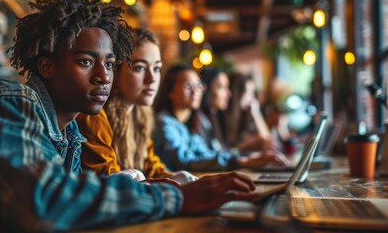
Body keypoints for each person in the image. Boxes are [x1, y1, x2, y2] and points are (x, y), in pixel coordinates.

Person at [0, 0, 259, 231]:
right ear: (47, 66)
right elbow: (41, 200)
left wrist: (156, 186)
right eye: (87, 62)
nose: (104, 76)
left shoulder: (71, 133)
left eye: (110, 64)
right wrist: (176, 197)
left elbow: (73, 196)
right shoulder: (11, 100)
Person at [76, 28, 196, 184]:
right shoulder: (95, 115)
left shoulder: (141, 114)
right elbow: (107, 176)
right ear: (115, 71)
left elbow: (152, 168)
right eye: (140, 67)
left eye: (157, 68)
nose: (152, 78)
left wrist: (172, 176)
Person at [153, 65, 289, 172]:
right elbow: (184, 161)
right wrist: (242, 160)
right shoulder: (164, 122)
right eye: (188, 86)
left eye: (198, 86)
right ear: (169, 91)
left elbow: (208, 154)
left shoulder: (184, 125)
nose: (195, 91)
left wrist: (245, 158)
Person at [226, 72, 275, 153]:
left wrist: (256, 113)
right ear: (237, 93)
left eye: (253, 92)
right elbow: (226, 151)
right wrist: (240, 148)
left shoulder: (243, 114)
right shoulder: (223, 116)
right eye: (249, 92)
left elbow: (267, 141)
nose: (252, 97)